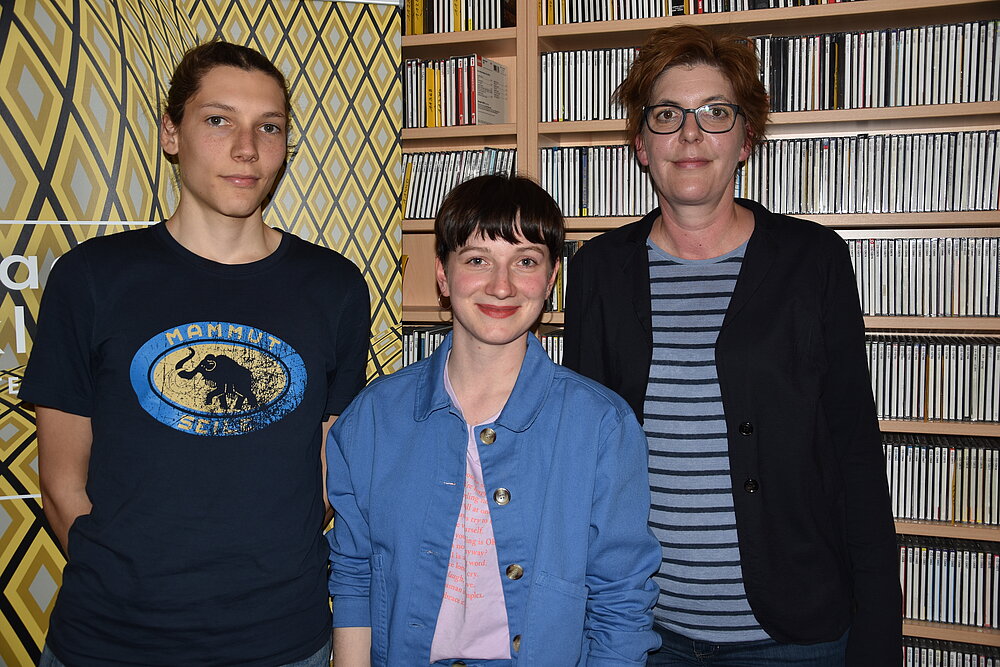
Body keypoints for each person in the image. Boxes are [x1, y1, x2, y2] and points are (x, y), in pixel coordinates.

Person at [21, 41, 370, 666]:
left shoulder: (334, 287)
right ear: (170, 133)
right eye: (218, 120)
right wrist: (128, 594)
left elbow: (328, 474)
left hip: (282, 642)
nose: (247, 148)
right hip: (110, 643)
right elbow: (60, 482)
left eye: (269, 127)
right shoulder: (91, 278)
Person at [563, 25, 901, 666]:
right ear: (641, 143)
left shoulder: (814, 261)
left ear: (746, 139)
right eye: (667, 115)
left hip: (792, 639)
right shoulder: (598, 270)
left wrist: (879, 636)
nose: (690, 134)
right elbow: (585, 459)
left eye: (715, 113)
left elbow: (854, 454)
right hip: (641, 631)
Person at [326, 174, 661, 666]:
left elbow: (621, 599)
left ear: (550, 278)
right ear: (443, 275)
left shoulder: (601, 426)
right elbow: (355, 575)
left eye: (525, 261)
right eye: (477, 260)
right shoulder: (373, 418)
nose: (501, 286)